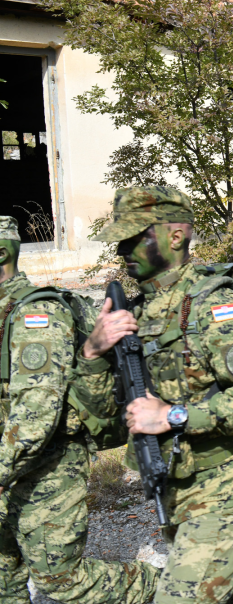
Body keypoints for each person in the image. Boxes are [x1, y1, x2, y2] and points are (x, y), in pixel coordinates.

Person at [86, 187, 233, 604]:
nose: (123, 249)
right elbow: (101, 422)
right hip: (176, 484)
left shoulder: (215, 306)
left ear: (175, 236)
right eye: (121, 239)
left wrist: (174, 416)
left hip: (227, 485)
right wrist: (92, 352)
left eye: (134, 236)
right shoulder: (137, 312)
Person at [0, 216, 159, 604]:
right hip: (8, 461)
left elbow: (36, 416)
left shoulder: (35, 316)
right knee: (4, 572)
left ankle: (175, 586)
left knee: (61, 580)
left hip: (46, 464)